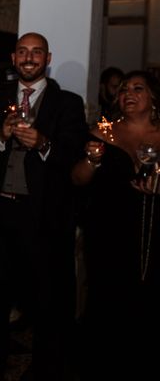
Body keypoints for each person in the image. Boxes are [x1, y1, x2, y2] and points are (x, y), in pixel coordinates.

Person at [0, 33, 86, 381]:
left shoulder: (68, 102)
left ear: (47, 58)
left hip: (42, 218)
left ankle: (45, 370)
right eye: (22, 52)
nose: (28, 58)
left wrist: (44, 143)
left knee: (46, 301)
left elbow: (73, 155)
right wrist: (0, 136)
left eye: (36, 52)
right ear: (13, 57)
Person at [71, 70, 160, 379]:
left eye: (138, 87)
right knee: (108, 302)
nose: (128, 93)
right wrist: (93, 161)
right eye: (123, 89)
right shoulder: (106, 128)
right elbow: (77, 178)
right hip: (109, 231)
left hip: (151, 231)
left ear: (153, 98)